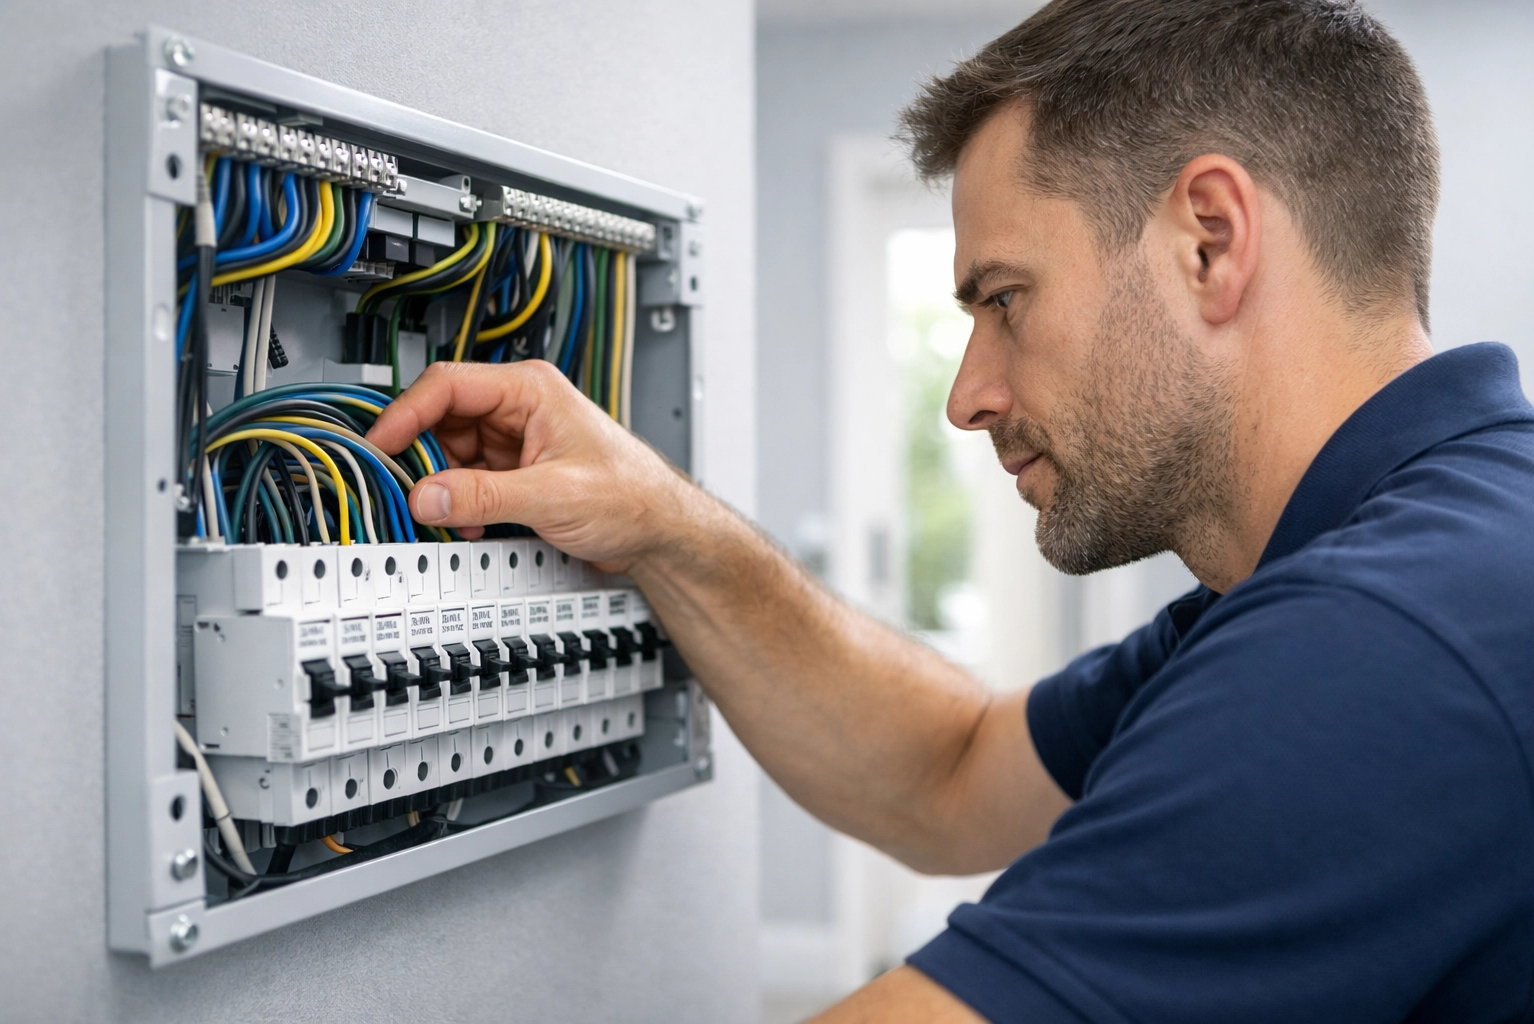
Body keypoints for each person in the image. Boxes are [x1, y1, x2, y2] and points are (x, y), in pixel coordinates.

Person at [368, 0, 1534, 1019]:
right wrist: (664, 523)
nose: (969, 398)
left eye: (1006, 299)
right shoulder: (1404, 553)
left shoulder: (1377, 639)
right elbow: (953, 771)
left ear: (1209, 242)